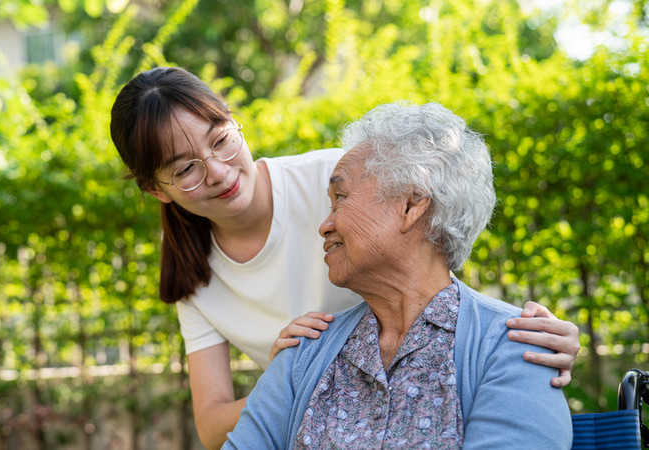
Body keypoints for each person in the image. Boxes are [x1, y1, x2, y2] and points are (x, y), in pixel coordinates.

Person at [109, 67, 579, 449]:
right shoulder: (287, 352)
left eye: (221, 140)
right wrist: (286, 383)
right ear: (156, 189)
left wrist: (525, 338)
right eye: (186, 168)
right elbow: (216, 426)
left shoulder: (339, 172)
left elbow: (434, 269)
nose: (217, 171)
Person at [224, 102, 573, 449]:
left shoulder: (515, 348)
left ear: (411, 205)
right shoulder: (303, 354)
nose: (324, 226)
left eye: (340, 198)